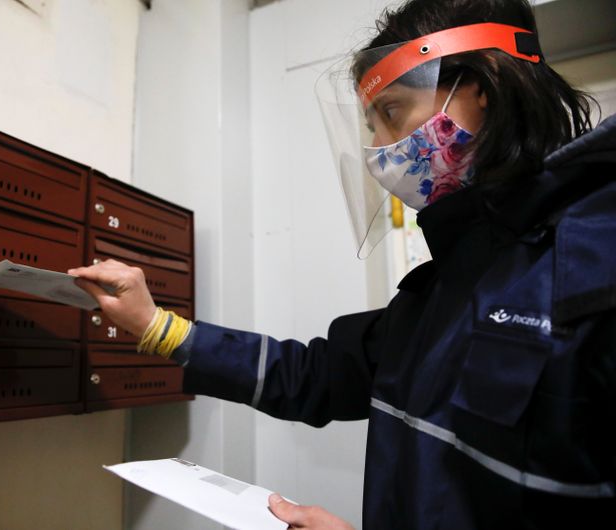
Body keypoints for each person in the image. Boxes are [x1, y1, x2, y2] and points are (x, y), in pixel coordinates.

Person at [69, 0, 616, 527]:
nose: (378, 148)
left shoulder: (594, 268)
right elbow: (315, 377)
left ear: (482, 89)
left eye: (392, 111)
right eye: (370, 124)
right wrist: (156, 327)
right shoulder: (442, 287)